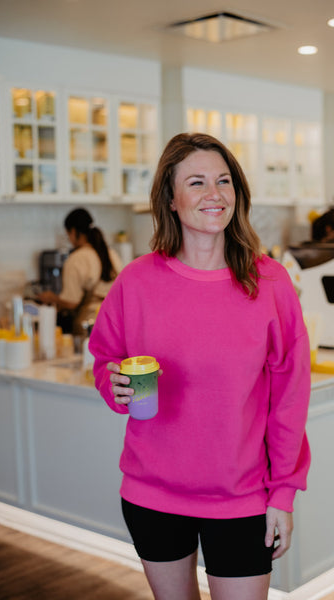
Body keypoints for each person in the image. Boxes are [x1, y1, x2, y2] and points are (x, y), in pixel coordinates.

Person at [89, 133, 311, 600]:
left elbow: (290, 397)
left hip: (243, 497)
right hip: (152, 494)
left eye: (224, 181)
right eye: (197, 182)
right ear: (171, 199)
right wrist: (116, 388)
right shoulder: (136, 281)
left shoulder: (269, 281)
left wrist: (283, 493)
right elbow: (106, 358)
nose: (215, 194)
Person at [38, 208, 122, 336]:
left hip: (91, 326)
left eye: (68, 234)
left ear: (73, 231)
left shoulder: (76, 259)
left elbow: (71, 303)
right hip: (117, 322)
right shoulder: (112, 254)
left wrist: (51, 298)